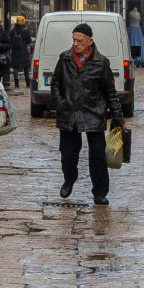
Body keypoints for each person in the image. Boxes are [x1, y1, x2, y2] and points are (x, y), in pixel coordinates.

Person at [50, 21, 122, 206]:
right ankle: (69, 178)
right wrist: (60, 102)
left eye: (80, 40)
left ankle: (99, 192)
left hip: (93, 112)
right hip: (69, 112)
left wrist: (117, 117)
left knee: (97, 155)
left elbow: (110, 92)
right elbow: (55, 82)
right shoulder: (65, 58)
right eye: (74, 40)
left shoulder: (101, 62)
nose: (76, 44)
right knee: (68, 153)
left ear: (90, 41)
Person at [6, 14, 33, 90]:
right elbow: (29, 41)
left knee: (15, 68)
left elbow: (10, 41)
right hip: (24, 51)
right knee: (26, 68)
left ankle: (16, 84)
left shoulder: (13, 31)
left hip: (15, 52)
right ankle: (27, 84)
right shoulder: (26, 31)